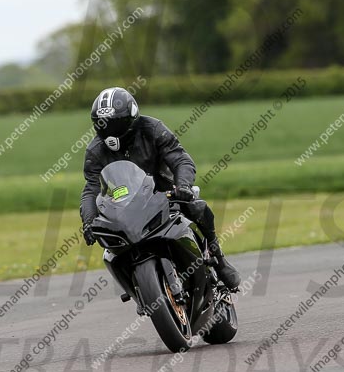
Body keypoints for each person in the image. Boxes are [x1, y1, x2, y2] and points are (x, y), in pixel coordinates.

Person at [80, 86, 242, 291]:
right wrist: (88, 221)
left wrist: (183, 186)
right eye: (102, 124)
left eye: (116, 123)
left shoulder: (153, 129)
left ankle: (218, 259)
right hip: (124, 208)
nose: (109, 132)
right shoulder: (95, 150)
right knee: (110, 249)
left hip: (164, 194)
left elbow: (181, 159)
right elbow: (91, 188)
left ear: (131, 116)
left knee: (197, 208)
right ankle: (137, 288)